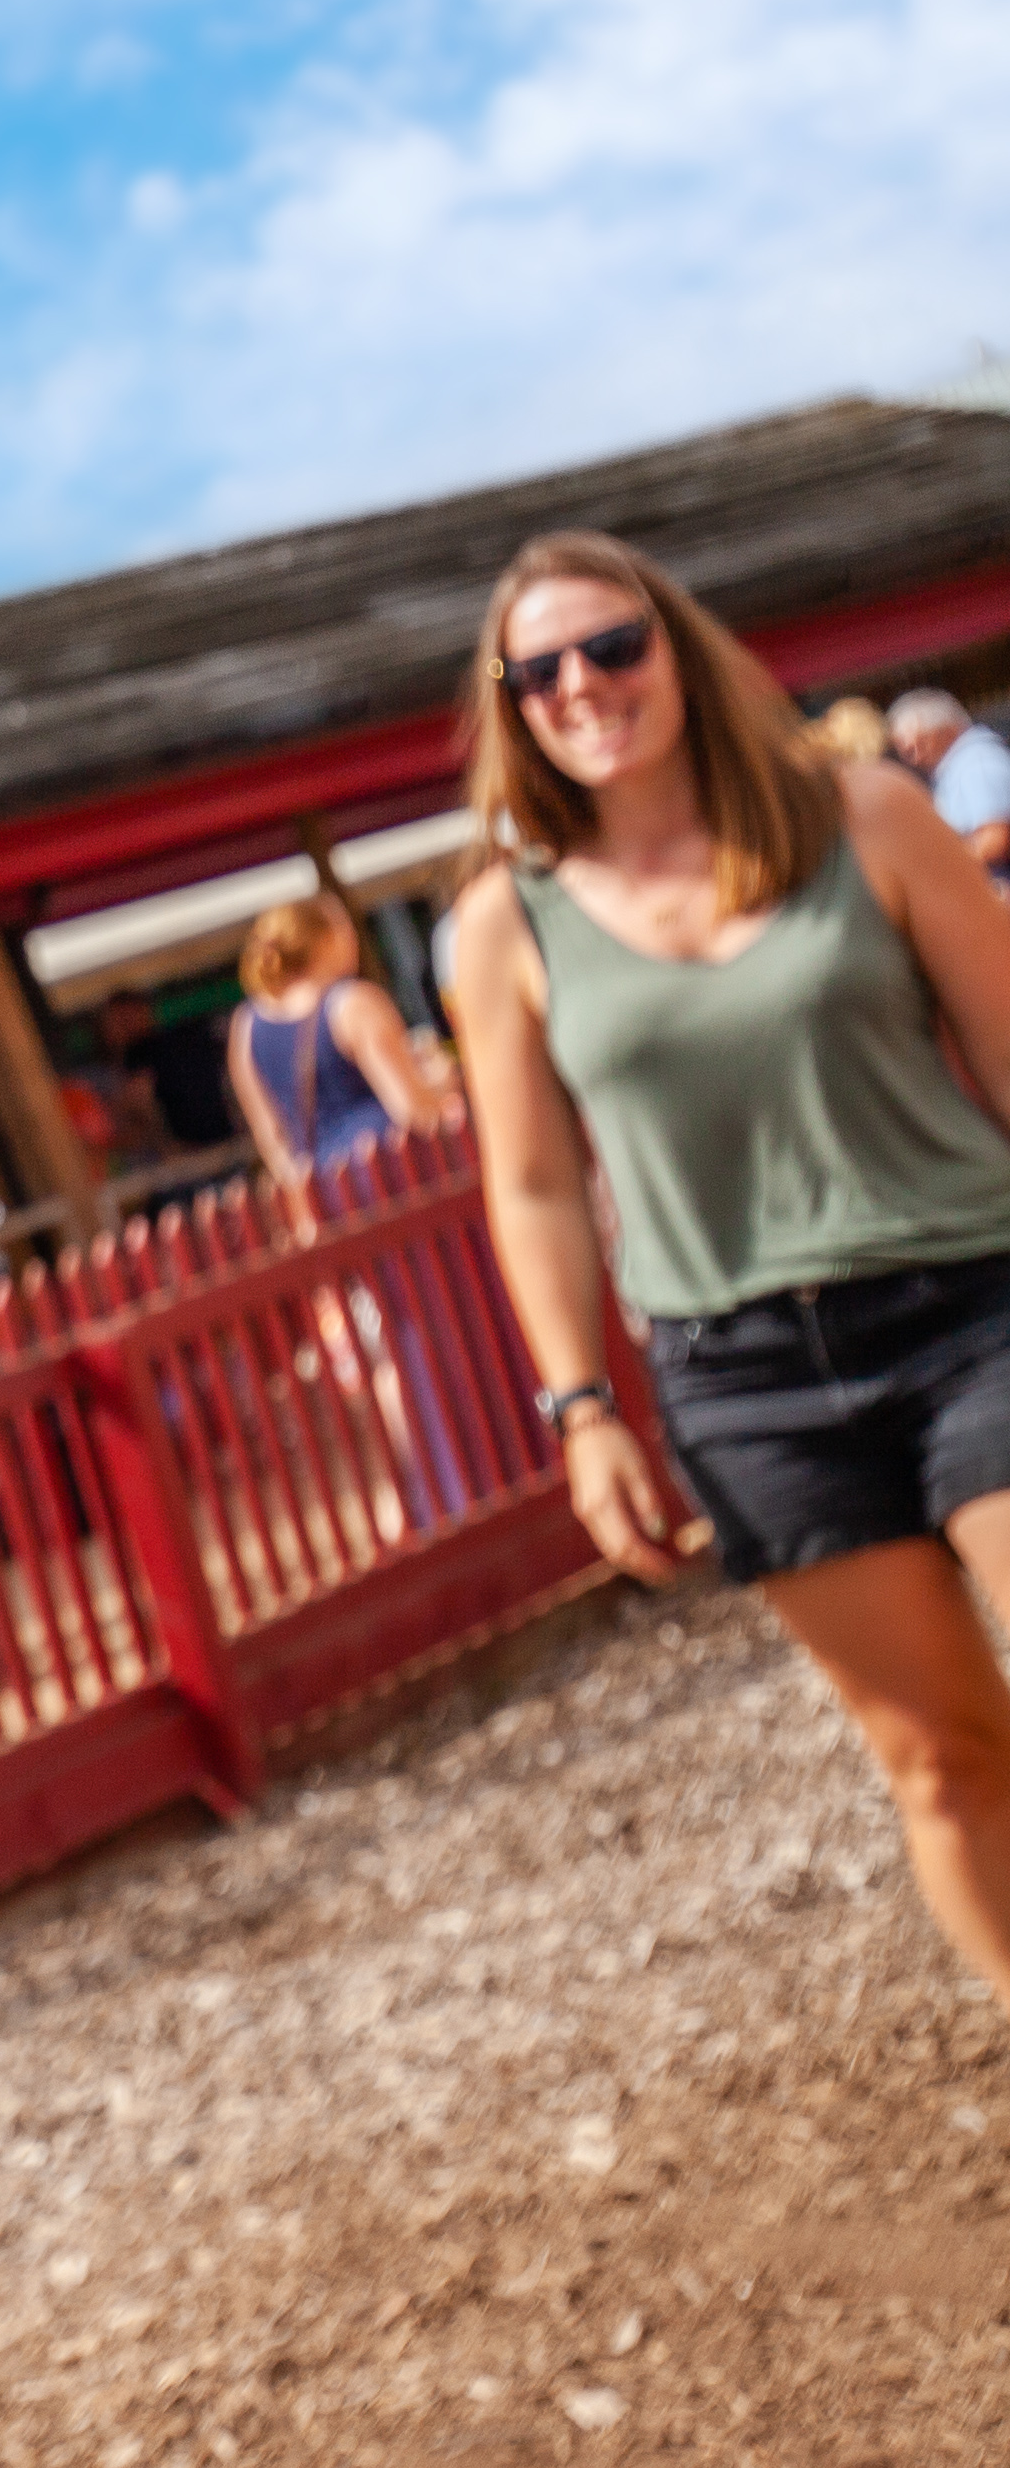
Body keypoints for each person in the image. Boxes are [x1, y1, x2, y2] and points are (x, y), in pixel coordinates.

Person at [441, 529, 1010, 2021]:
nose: (584, 684)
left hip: (974, 1306)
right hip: (748, 1383)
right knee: (944, 1760)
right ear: (512, 703)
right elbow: (536, 1184)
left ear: (677, 649)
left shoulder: (869, 817)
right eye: (542, 667)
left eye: (614, 645)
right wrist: (580, 1409)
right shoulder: (503, 928)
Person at [227, 891, 453, 1198]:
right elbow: (413, 1112)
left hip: (329, 1193)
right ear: (325, 940)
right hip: (394, 1177)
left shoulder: (246, 1026)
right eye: (345, 928)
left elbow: (272, 1138)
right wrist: (442, 1083)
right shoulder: (352, 1003)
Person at [895, 684, 1010, 878]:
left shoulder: (975, 764)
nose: (915, 759)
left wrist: (938, 871)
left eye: (920, 745)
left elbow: (995, 840)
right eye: (907, 752)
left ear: (948, 730)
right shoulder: (959, 767)